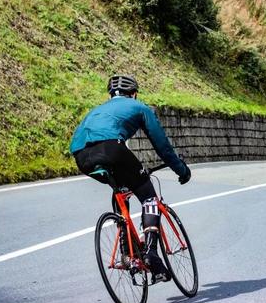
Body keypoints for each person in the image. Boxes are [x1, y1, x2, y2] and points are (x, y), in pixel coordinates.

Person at [70, 75, 191, 283]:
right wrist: (181, 170)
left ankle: (127, 255)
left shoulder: (96, 110)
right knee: (148, 196)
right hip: (111, 148)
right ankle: (152, 254)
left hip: (81, 156)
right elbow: (162, 146)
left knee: (120, 191)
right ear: (133, 94)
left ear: (111, 95)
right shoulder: (139, 107)